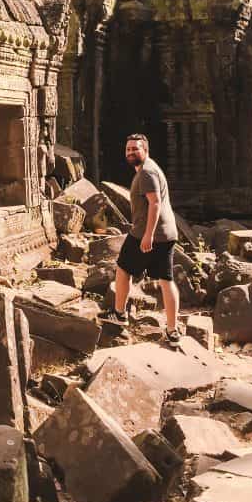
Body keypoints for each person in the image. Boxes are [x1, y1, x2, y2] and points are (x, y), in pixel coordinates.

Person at [100, 133, 181, 345]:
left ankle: (119, 314)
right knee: (166, 280)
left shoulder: (146, 172)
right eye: (128, 149)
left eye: (135, 149)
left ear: (145, 150)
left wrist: (148, 235)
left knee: (123, 269)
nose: (130, 152)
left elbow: (154, 204)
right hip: (167, 233)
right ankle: (172, 332)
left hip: (148, 233)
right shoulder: (150, 168)